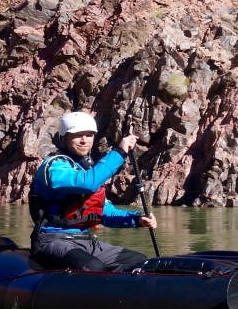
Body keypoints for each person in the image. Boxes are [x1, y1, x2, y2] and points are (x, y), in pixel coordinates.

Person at [28, 111, 157, 272]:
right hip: (52, 240)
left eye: (89, 135)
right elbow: (88, 183)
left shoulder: (87, 169)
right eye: (78, 135)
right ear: (64, 138)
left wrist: (137, 219)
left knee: (140, 261)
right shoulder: (54, 167)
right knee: (93, 268)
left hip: (84, 240)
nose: (84, 140)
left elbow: (103, 213)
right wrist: (119, 152)